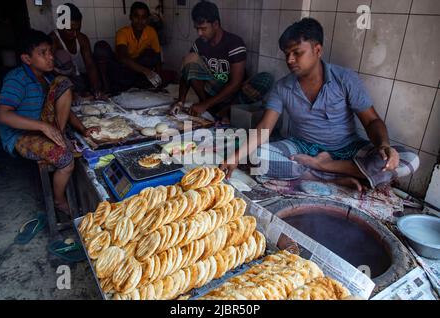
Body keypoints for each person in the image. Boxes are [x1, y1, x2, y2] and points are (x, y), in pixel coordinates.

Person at [220, 18, 419, 191]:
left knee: (408, 159)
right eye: (286, 53)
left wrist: (384, 145)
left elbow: (372, 121)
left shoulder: (345, 79)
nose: (289, 60)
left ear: (317, 50)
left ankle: (325, 168)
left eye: (297, 52)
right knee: (258, 157)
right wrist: (235, 157)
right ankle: (335, 177)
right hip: (303, 147)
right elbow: (264, 128)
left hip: (348, 149)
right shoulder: (283, 87)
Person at [0, 29, 99, 215]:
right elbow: (2, 115)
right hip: (21, 134)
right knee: (66, 160)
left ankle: (58, 135)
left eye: (50, 51)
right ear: (27, 59)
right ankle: (59, 201)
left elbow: (64, 108)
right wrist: (43, 126)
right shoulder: (16, 79)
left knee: (64, 82)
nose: (50, 57)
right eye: (43, 53)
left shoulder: (47, 78)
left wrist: (83, 129)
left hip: (43, 127)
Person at [169, 1, 274, 125]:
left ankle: (224, 109)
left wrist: (205, 105)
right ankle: (210, 108)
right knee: (189, 59)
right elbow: (186, 72)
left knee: (266, 78)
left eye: (203, 29)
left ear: (215, 24)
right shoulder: (199, 44)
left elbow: (235, 83)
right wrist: (181, 101)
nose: (199, 33)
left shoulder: (234, 43)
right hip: (211, 90)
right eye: (197, 29)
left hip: (232, 94)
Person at [94, 1, 163, 93]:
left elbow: (157, 57)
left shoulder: (151, 32)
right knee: (101, 47)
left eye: (143, 17)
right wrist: (147, 71)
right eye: (136, 16)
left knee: (151, 54)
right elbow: (123, 58)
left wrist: (158, 81)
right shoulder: (122, 33)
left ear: (147, 19)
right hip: (121, 68)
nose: (140, 21)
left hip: (136, 67)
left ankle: (134, 83)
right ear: (130, 17)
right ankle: (106, 86)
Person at [50, 3, 103, 98]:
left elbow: (90, 65)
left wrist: (96, 89)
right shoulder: (53, 39)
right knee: (61, 56)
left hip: (77, 77)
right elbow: (48, 69)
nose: (74, 34)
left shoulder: (82, 39)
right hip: (57, 79)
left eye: (78, 29)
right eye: (70, 30)